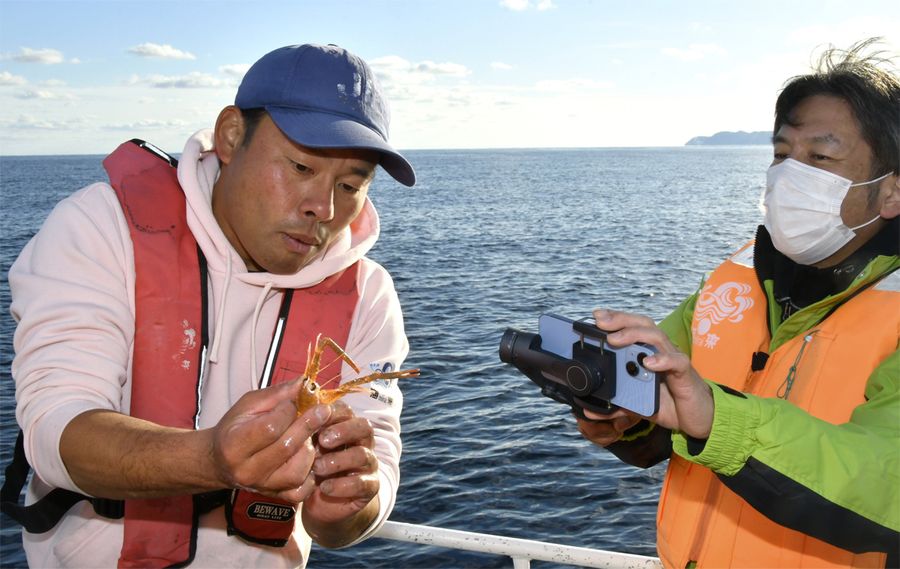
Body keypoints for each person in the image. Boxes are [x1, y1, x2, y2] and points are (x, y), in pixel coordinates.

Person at [3, 43, 416, 568]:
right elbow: (55, 427)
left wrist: (351, 502)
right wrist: (211, 457)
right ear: (230, 136)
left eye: (350, 184)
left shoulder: (369, 294)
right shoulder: (98, 228)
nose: (324, 207)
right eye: (300, 166)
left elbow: (374, 466)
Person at [576, 39, 899, 567]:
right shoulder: (738, 277)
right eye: (781, 155)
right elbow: (660, 410)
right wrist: (616, 416)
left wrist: (716, 421)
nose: (790, 175)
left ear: (891, 192)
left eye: (820, 156)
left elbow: (889, 483)